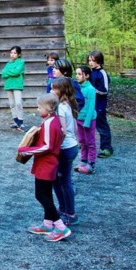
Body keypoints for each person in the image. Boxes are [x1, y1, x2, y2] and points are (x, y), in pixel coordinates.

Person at [18, 93, 70, 242]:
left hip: (46, 164)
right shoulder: (52, 120)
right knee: (46, 194)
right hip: (47, 163)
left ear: (48, 108)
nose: (38, 109)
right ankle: (47, 224)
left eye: (39, 107)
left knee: (40, 195)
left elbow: (47, 146)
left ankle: (61, 227)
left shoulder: (49, 123)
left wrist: (26, 150)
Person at [50, 77, 79, 226]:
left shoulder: (61, 107)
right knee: (57, 179)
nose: (51, 91)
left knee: (64, 181)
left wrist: (54, 147)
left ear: (61, 91)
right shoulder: (68, 104)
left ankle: (70, 213)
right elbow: (74, 128)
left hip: (65, 149)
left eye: (54, 88)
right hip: (72, 147)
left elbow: (63, 132)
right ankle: (63, 208)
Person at [88, 50, 114, 158]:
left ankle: (107, 148)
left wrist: (92, 90)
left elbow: (104, 90)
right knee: (86, 123)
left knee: (101, 125)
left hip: (99, 104)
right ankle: (85, 143)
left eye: (93, 61)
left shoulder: (102, 73)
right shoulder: (91, 72)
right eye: (89, 60)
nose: (90, 63)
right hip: (90, 103)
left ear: (99, 61)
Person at [74, 65, 98, 175]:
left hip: (88, 120)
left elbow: (91, 107)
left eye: (79, 74)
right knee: (82, 142)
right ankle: (83, 161)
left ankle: (91, 164)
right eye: (76, 74)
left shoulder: (91, 89)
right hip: (79, 119)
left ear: (87, 76)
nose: (77, 76)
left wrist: (87, 122)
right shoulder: (77, 88)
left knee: (90, 142)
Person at [1, 46, 26, 131]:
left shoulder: (21, 62)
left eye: (15, 53)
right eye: (11, 52)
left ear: (19, 54)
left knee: (18, 103)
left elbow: (17, 72)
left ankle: (21, 121)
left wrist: (9, 72)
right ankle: (15, 121)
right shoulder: (8, 64)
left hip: (17, 85)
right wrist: (11, 72)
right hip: (8, 85)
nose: (12, 54)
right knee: (12, 104)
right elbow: (3, 74)